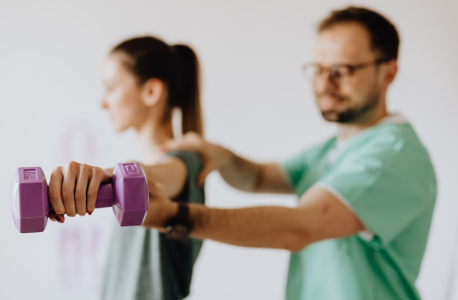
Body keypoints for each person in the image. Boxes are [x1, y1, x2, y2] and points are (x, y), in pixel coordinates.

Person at [145, 7, 437, 300]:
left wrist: (175, 216)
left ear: (388, 72)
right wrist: (219, 156)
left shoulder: (393, 155)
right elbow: (257, 178)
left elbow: (299, 227)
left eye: (341, 71)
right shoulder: (333, 149)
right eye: (318, 69)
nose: (324, 84)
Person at [47, 36, 205, 300]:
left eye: (111, 87)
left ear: (151, 92)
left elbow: (157, 176)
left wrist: (107, 175)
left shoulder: (184, 163)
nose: (103, 102)